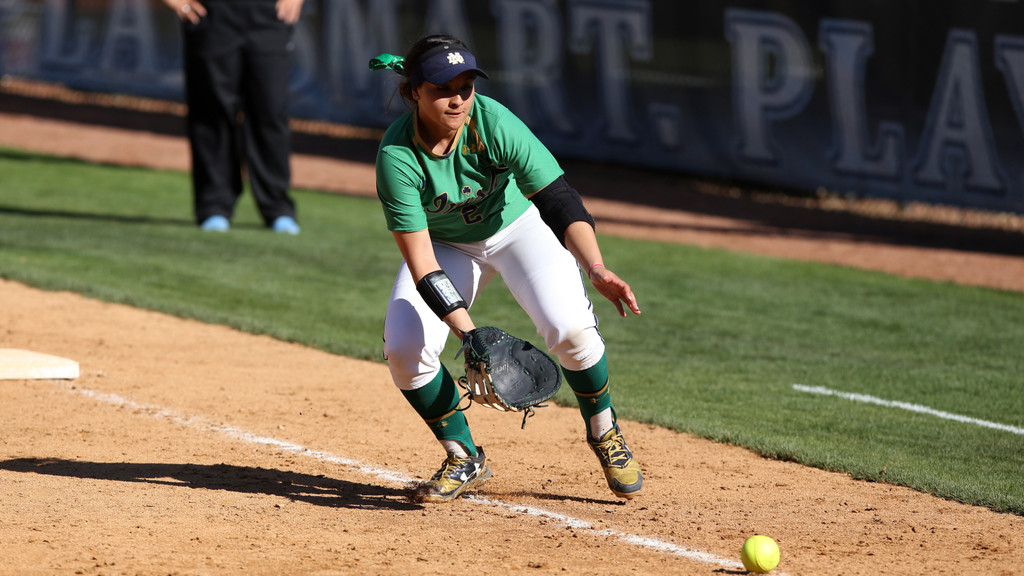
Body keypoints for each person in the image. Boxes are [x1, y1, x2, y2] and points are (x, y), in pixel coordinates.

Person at [371, 34, 644, 503]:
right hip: (446, 246)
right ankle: (464, 457)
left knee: (571, 329)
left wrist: (595, 266)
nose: (457, 98)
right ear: (415, 91)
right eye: (441, 88)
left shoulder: (493, 122)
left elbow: (559, 200)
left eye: (465, 86)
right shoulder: (398, 156)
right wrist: (467, 334)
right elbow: (421, 262)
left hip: (518, 228)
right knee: (404, 348)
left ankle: (604, 432)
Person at [163, 0, 303, 234]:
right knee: (211, 112)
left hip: (268, 16)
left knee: (270, 111)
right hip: (211, 15)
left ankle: (278, 209)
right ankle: (214, 206)